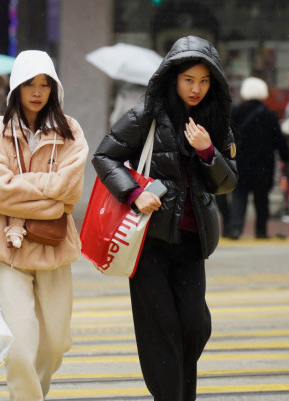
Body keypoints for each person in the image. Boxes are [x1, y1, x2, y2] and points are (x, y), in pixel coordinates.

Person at [92, 36, 238, 400]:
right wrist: (134, 192)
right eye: (189, 79)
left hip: (192, 241)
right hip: (149, 241)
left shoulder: (216, 121)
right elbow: (104, 156)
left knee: (194, 326)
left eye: (204, 81)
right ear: (173, 77)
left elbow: (227, 182)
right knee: (162, 328)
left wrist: (208, 151)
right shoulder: (147, 114)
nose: (196, 89)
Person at [0, 50, 89, 401]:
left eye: (45, 84)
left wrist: (23, 192)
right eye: (29, 84)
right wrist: (50, 194)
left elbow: (71, 192)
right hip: (7, 250)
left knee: (55, 344)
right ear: (16, 89)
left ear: (55, 89)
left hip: (54, 248)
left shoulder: (71, 131)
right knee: (22, 347)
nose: (38, 92)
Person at [228, 76, 289, 239]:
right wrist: (285, 156)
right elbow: (279, 141)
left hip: (240, 164)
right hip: (263, 165)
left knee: (239, 197)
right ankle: (261, 231)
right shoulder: (269, 115)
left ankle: (235, 229)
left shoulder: (236, 113)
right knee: (261, 200)